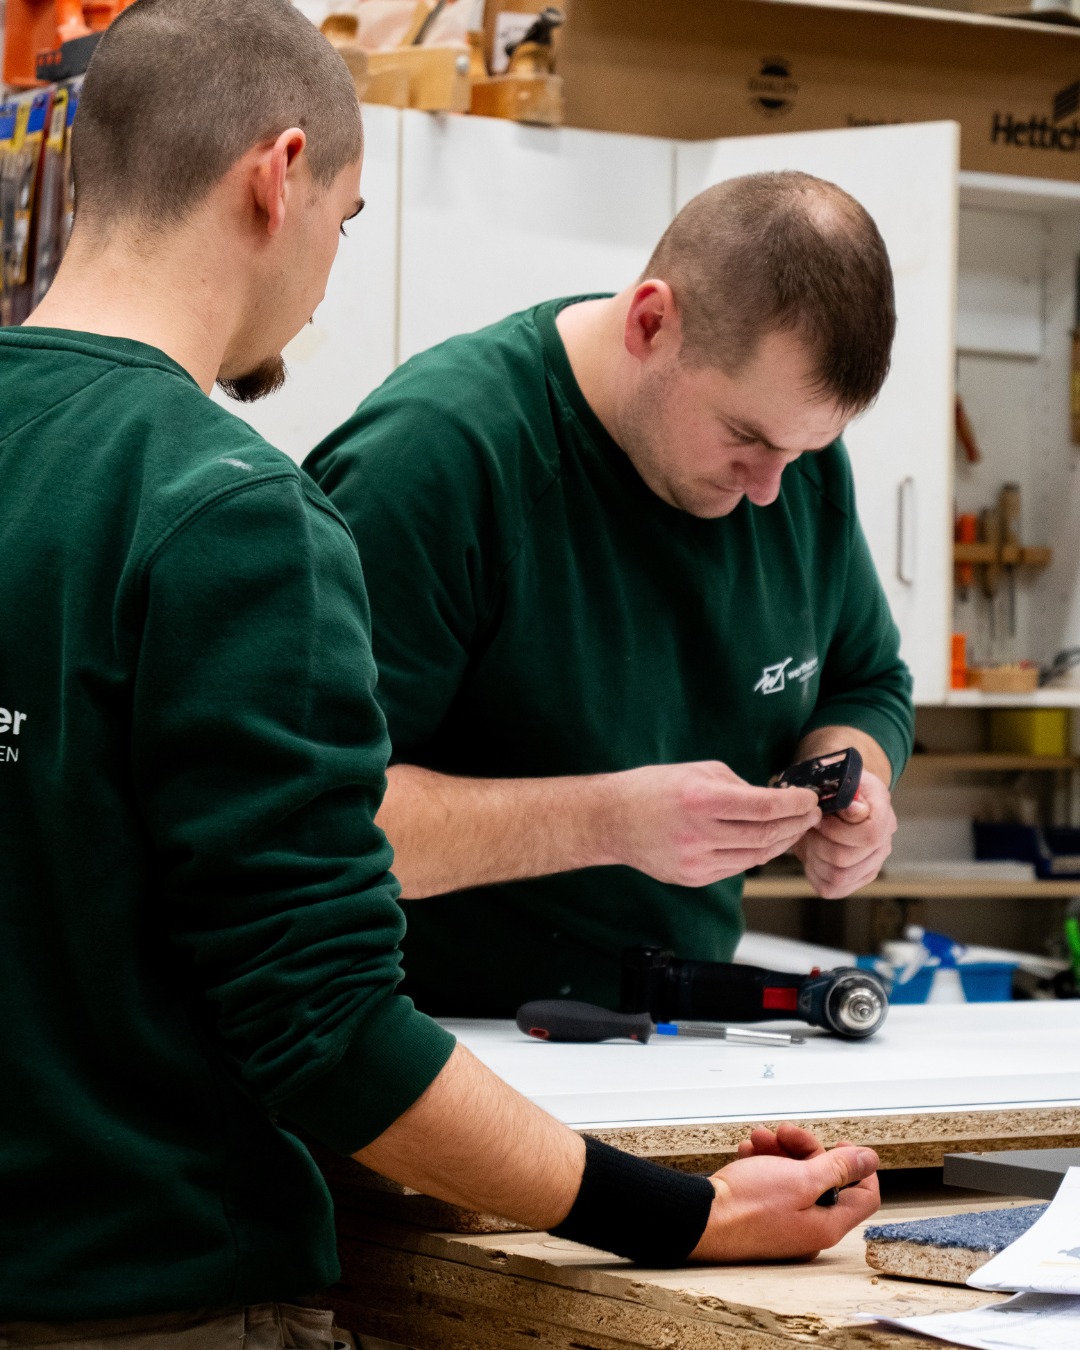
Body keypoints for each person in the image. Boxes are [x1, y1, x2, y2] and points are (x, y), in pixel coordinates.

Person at [0, 2, 880, 1343]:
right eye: (348, 221)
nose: (331, 265)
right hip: (146, 1288)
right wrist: (688, 1217)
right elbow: (332, 1029)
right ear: (278, 176)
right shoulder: (229, 515)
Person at [306, 172, 914, 1019]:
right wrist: (610, 820)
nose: (773, 490)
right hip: (431, 1041)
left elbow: (868, 682)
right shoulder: (440, 458)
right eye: (746, 438)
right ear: (651, 324)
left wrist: (858, 786)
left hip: (672, 1031)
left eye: (806, 451)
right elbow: (311, 822)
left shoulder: (793, 469)